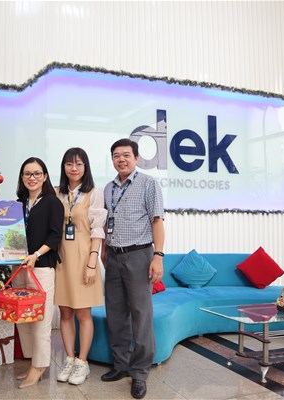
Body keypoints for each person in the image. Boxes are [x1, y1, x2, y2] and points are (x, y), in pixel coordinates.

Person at [100, 138, 165, 400]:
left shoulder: (148, 184)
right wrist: (104, 252)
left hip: (139, 255)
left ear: (136, 158)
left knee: (141, 314)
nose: (121, 159)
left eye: (126, 155)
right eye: (116, 155)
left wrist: (158, 256)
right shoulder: (108, 188)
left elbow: (157, 221)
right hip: (113, 257)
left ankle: (139, 372)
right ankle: (121, 365)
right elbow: (106, 223)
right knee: (115, 313)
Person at [54, 148, 106, 385]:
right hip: (62, 258)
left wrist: (92, 262)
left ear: (86, 167)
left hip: (85, 257)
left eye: (78, 164)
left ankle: (83, 362)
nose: (73, 168)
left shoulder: (93, 193)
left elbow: (97, 230)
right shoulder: (57, 193)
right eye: (69, 164)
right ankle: (69, 358)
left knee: (84, 313)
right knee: (65, 312)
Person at [14, 157, 64, 389]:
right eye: (27, 174)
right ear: (22, 178)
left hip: (41, 267)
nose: (31, 178)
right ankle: (33, 361)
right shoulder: (19, 203)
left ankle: (40, 366)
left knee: (40, 320)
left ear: (44, 176)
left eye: (36, 173)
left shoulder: (52, 202)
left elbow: (55, 236)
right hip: (19, 267)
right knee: (23, 318)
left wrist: (36, 254)